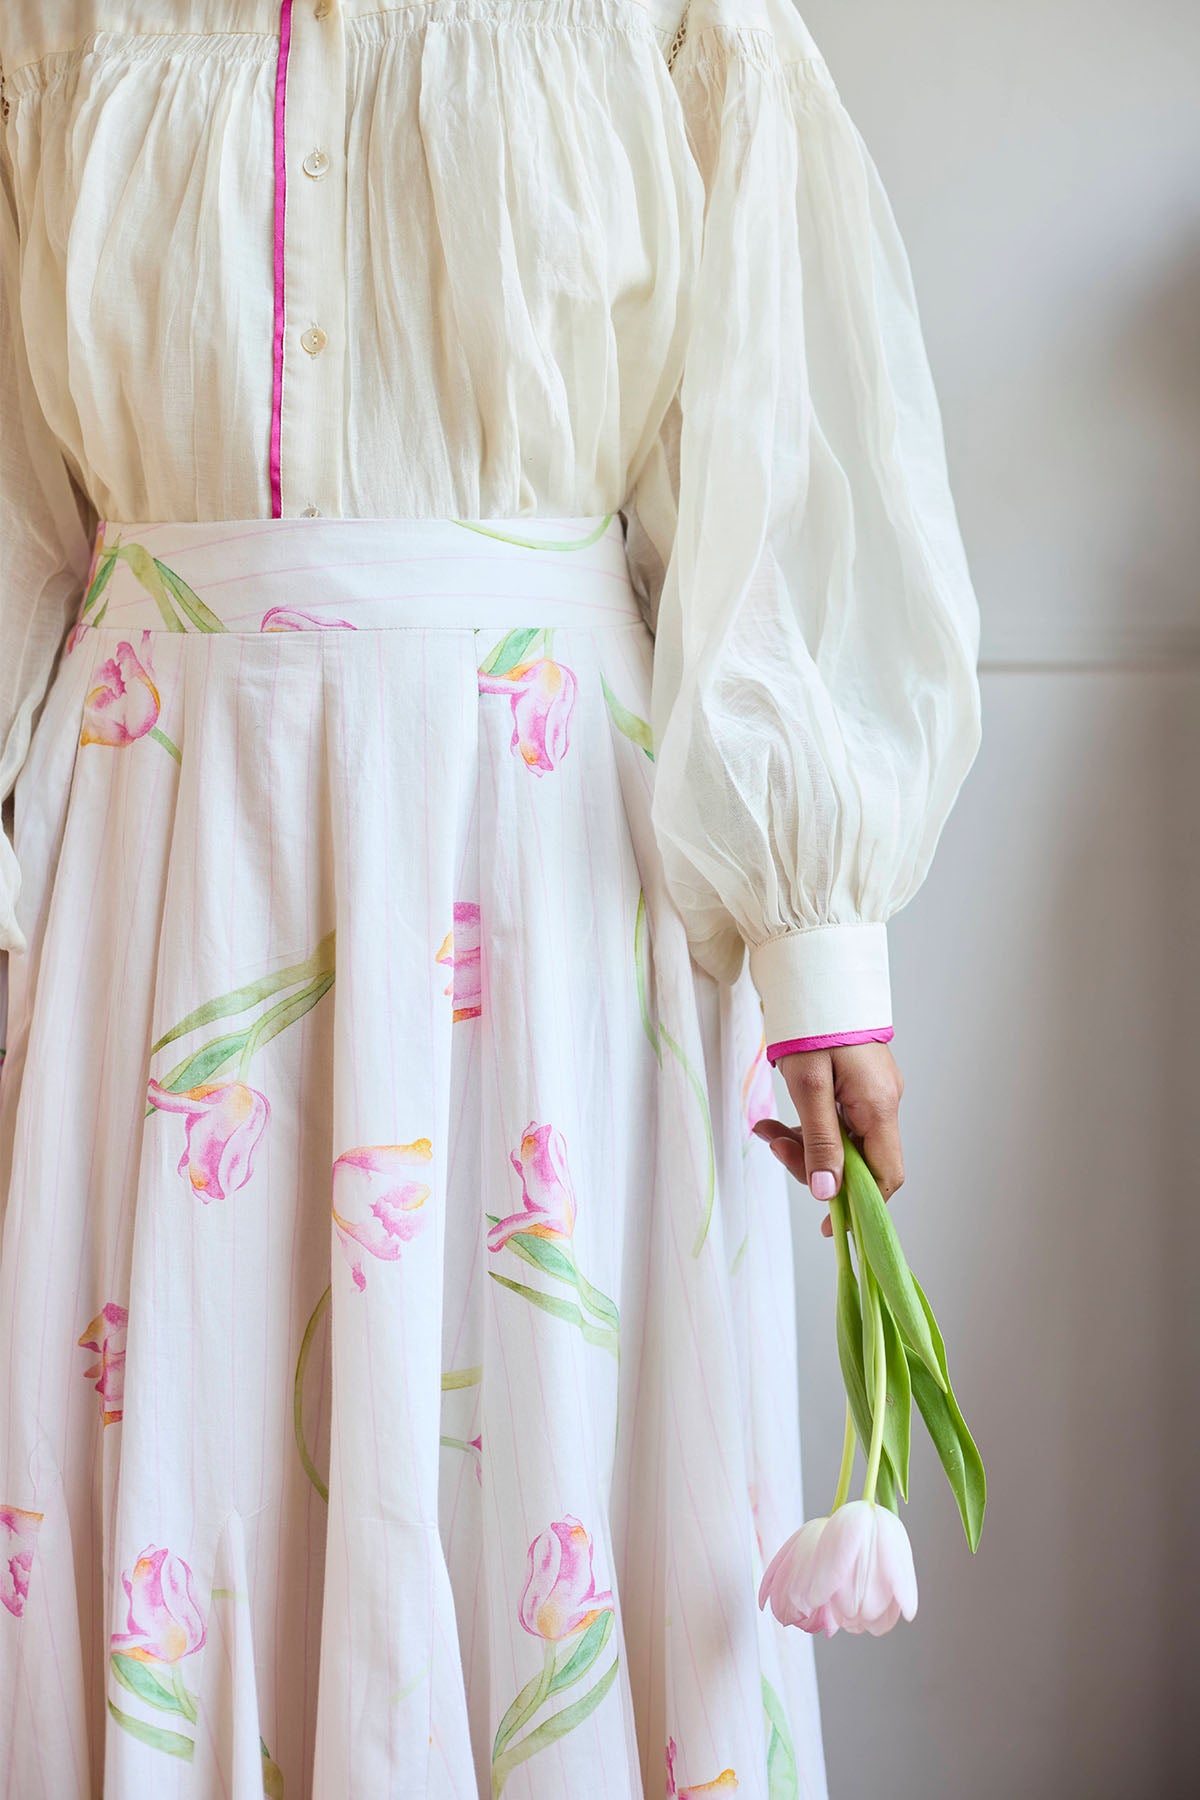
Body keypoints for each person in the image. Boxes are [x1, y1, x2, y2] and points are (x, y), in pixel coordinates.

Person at [0, 0, 982, 1795]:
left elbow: (770, 439)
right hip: (157, 857)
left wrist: (816, 929)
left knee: (538, 1468)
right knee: (175, 1483)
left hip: (540, 850)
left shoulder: (676, 19)